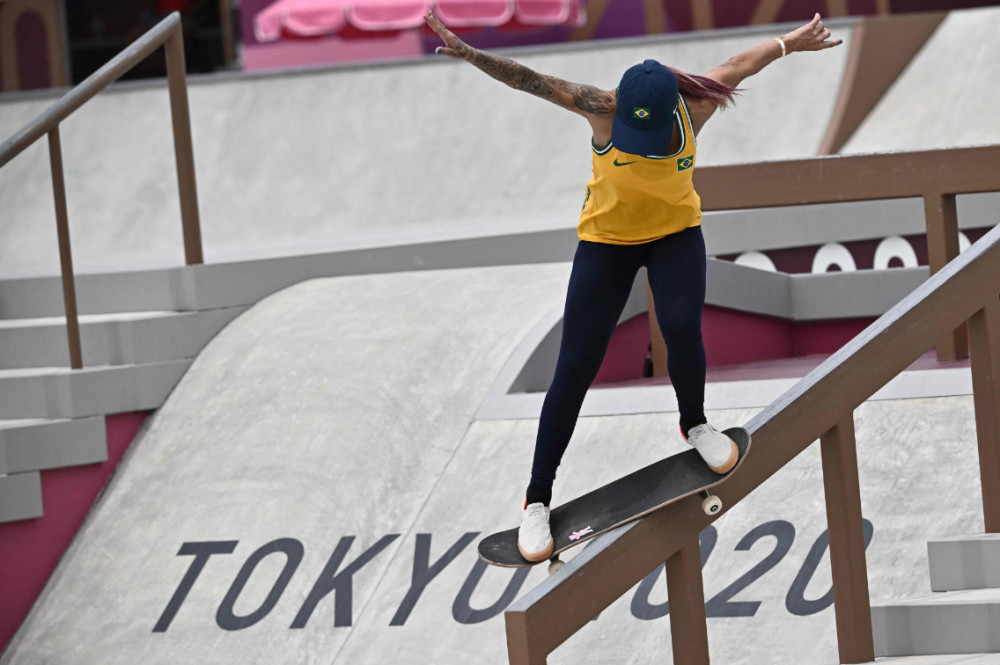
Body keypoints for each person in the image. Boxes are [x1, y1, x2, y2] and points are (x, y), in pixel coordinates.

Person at [425, 11, 842, 562]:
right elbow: (530, 80)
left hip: (675, 236)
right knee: (574, 365)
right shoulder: (602, 108)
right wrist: (472, 54)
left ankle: (694, 423)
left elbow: (744, 62)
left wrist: (793, 42)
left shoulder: (697, 104)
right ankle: (536, 501)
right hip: (606, 244)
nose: (639, 145)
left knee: (681, 327)